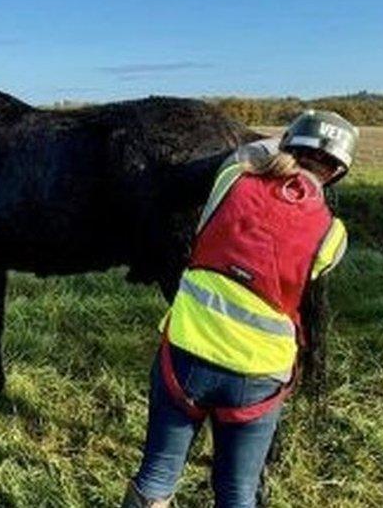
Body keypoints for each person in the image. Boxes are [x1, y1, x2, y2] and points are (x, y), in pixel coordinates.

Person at [123, 110, 358, 507]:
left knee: (157, 477)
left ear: (287, 144)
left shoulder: (233, 180)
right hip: (259, 375)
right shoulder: (333, 236)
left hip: (186, 356)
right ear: (336, 173)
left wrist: (282, 146)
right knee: (237, 492)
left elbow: (252, 151)